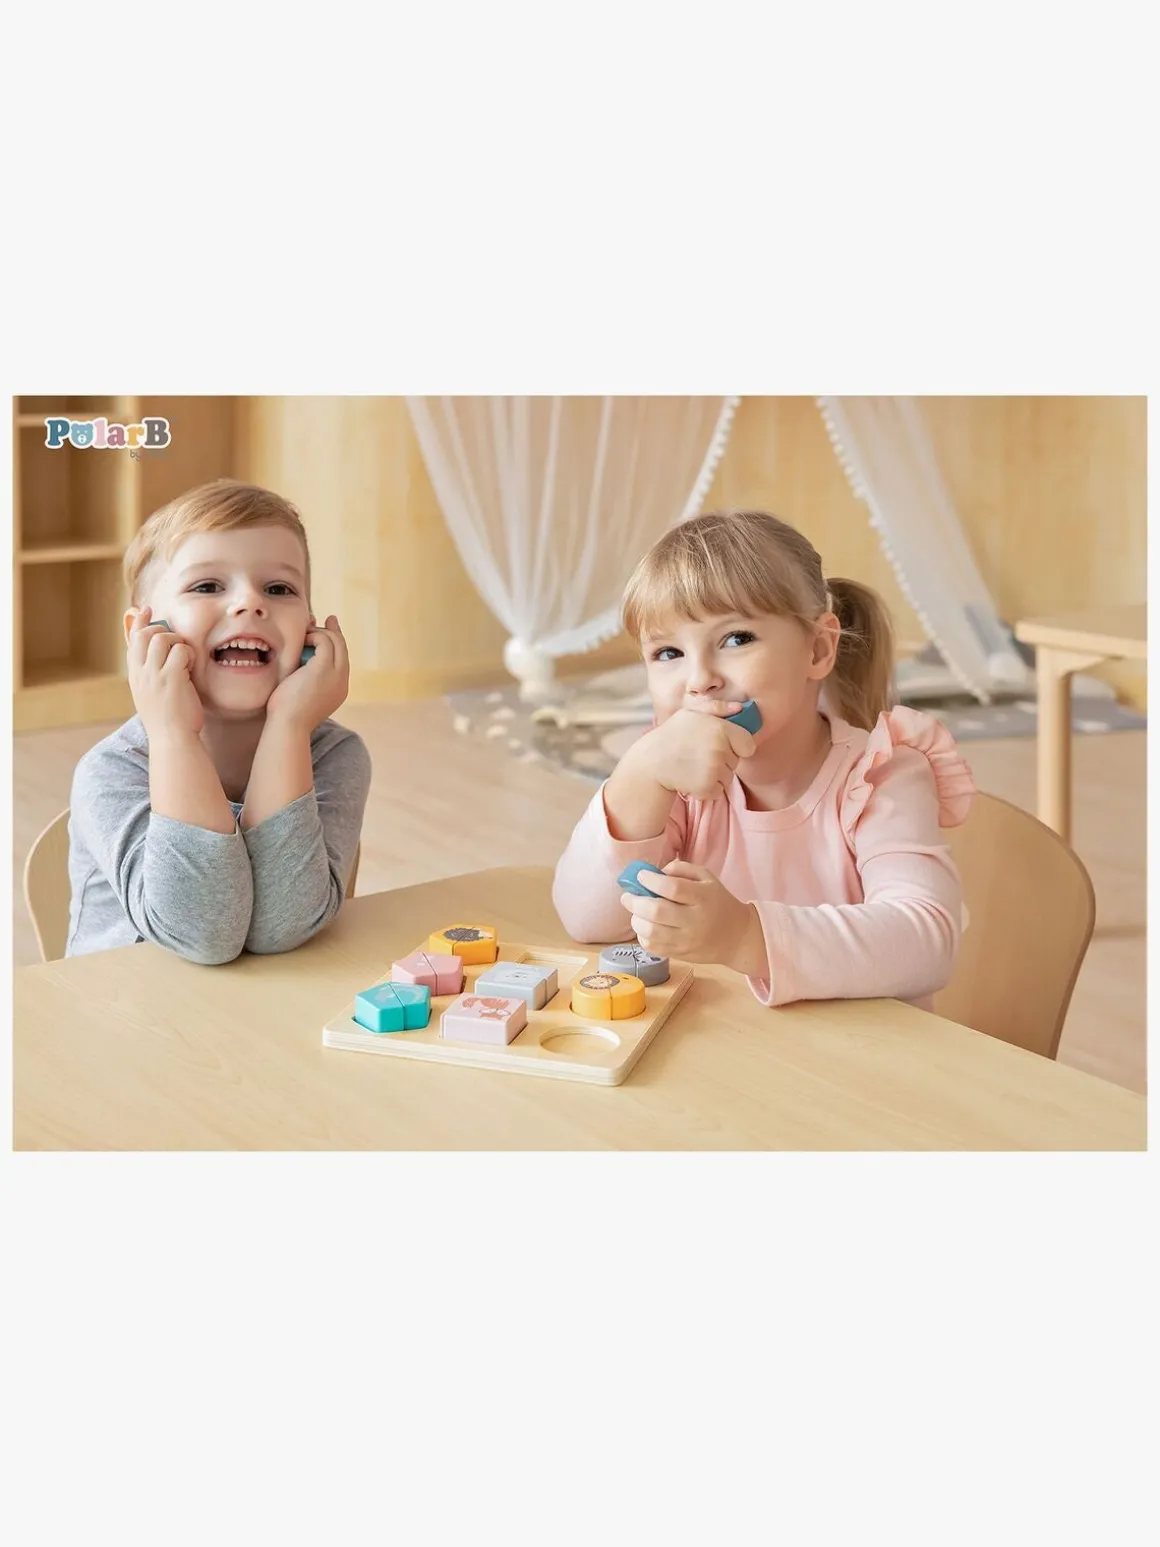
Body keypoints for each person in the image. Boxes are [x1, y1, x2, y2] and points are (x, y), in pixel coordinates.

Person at [552, 510, 976, 1009]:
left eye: (736, 639)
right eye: (668, 653)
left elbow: (926, 943)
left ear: (817, 650)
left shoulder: (882, 775)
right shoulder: (673, 783)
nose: (699, 680)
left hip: (863, 1052)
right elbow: (588, 920)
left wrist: (744, 936)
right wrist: (638, 773)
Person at [66, 479, 371, 962]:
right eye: (207, 586)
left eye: (279, 588)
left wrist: (289, 727)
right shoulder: (111, 772)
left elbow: (282, 927)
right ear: (143, 633)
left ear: (310, 630)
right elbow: (200, 934)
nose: (250, 603)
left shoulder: (334, 755)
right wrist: (173, 736)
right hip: (124, 1006)